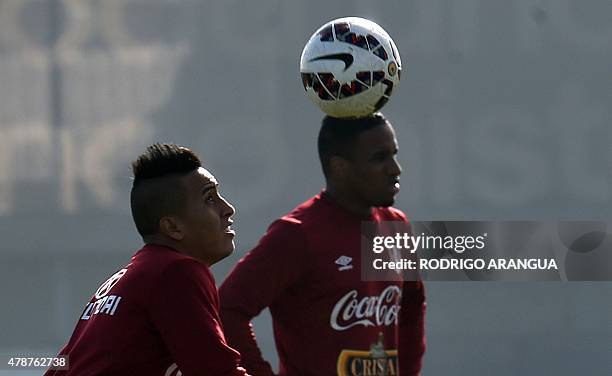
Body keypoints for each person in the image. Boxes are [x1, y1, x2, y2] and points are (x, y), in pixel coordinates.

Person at [219, 113, 426, 376]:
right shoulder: (298, 234)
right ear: (339, 167)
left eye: (394, 154)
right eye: (379, 158)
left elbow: (411, 310)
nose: (395, 168)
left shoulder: (395, 226)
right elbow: (227, 308)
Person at [45, 143, 249, 376]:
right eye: (210, 199)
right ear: (173, 227)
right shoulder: (176, 272)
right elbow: (215, 371)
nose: (228, 208)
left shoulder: (133, 277)